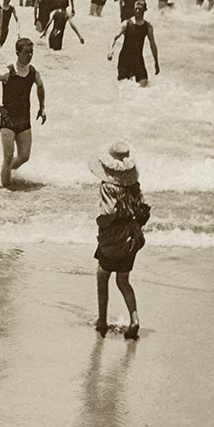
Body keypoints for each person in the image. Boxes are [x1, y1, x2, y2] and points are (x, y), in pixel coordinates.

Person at [90, 143, 146, 339]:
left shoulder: (108, 186)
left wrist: (100, 223)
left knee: (102, 275)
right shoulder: (134, 186)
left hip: (113, 237)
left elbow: (109, 213)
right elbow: (141, 210)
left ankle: (102, 321)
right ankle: (134, 319)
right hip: (132, 237)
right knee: (123, 280)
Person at [0, 38, 46, 188]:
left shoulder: (33, 72)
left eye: (31, 52)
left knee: (24, 156)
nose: (30, 55)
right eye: (26, 52)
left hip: (24, 119)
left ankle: (4, 173)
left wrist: (42, 107)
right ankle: (5, 189)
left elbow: (40, 86)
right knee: (8, 156)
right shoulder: (7, 72)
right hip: (7, 119)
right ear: (17, 53)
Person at [107, 1, 159, 86]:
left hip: (138, 59)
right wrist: (110, 50)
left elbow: (152, 44)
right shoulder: (126, 23)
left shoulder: (148, 27)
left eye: (140, 8)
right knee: (123, 86)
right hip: (125, 59)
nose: (137, 10)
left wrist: (156, 62)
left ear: (145, 10)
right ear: (133, 9)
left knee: (144, 85)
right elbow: (114, 37)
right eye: (136, 8)